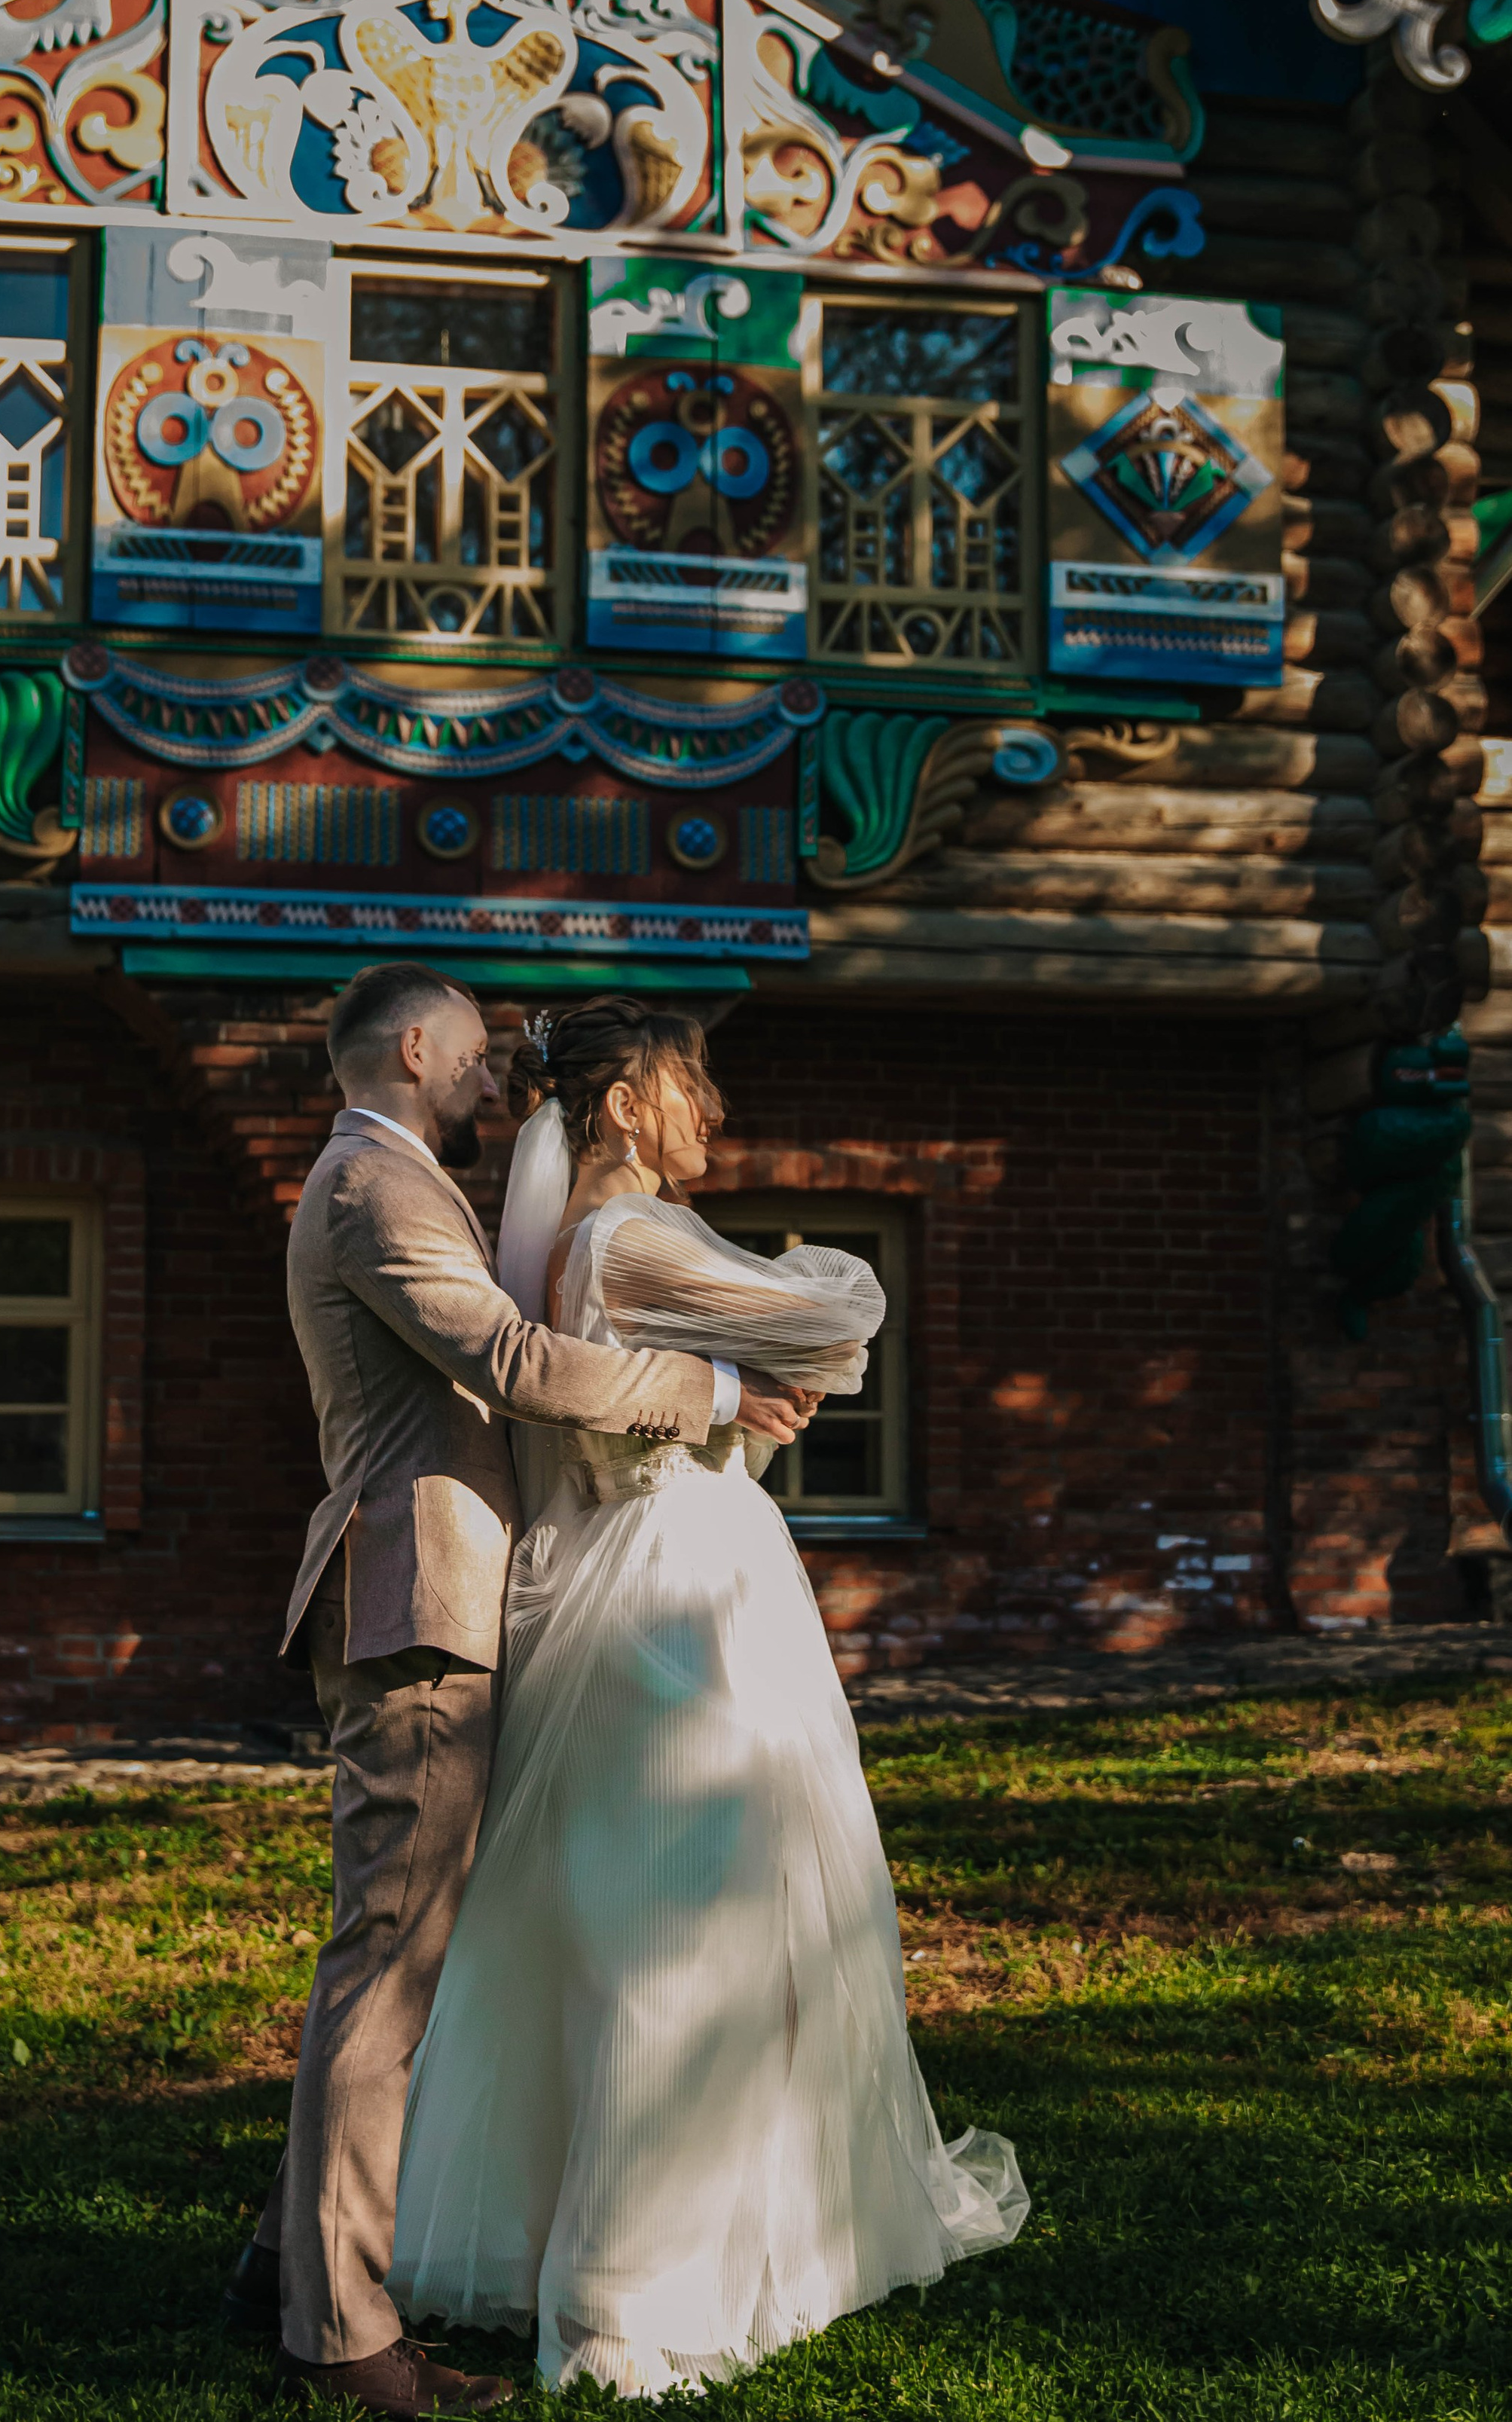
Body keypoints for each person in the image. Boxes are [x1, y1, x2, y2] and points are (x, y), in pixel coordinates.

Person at [389, 996, 1028, 2399]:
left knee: (622, 1926)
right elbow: (846, 1318)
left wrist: (741, 1378)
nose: (715, 1112)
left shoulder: (575, 1247)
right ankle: (627, 2301)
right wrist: (780, 1338)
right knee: (683, 1933)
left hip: (635, 1576)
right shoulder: (633, 1240)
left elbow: (770, 1372)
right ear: (624, 1108)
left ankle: (633, 2248)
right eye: (693, 1085)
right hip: (678, 1602)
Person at [221, 962, 811, 2419]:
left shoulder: (404, 1181)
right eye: (480, 1054)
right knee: (388, 1966)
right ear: (417, 1047)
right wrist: (714, 1395)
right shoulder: (375, 1188)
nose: (499, 1079)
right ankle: (340, 2340)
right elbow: (512, 1359)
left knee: (396, 1953)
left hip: (437, 1594)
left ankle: (282, 2265)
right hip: (414, 1602)